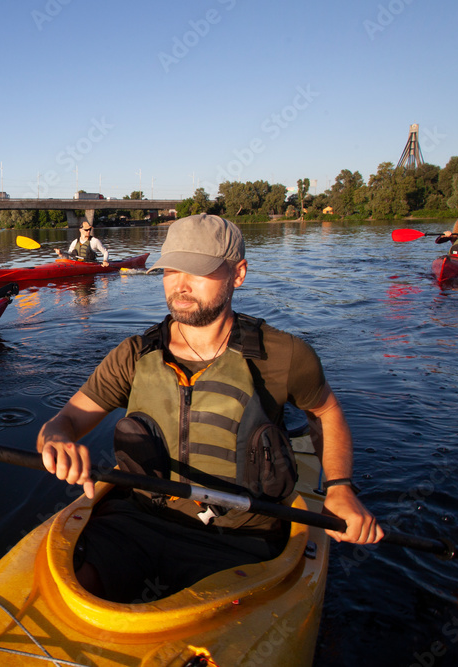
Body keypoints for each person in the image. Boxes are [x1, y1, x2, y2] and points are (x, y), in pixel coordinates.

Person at [36, 213, 383, 603]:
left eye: (197, 271)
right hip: (136, 523)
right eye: (170, 270)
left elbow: (326, 412)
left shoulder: (284, 356)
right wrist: (57, 440)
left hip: (241, 539)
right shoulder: (132, 355)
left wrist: (339, 489)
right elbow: (63, 421)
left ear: (238, 274)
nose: (180, 285)